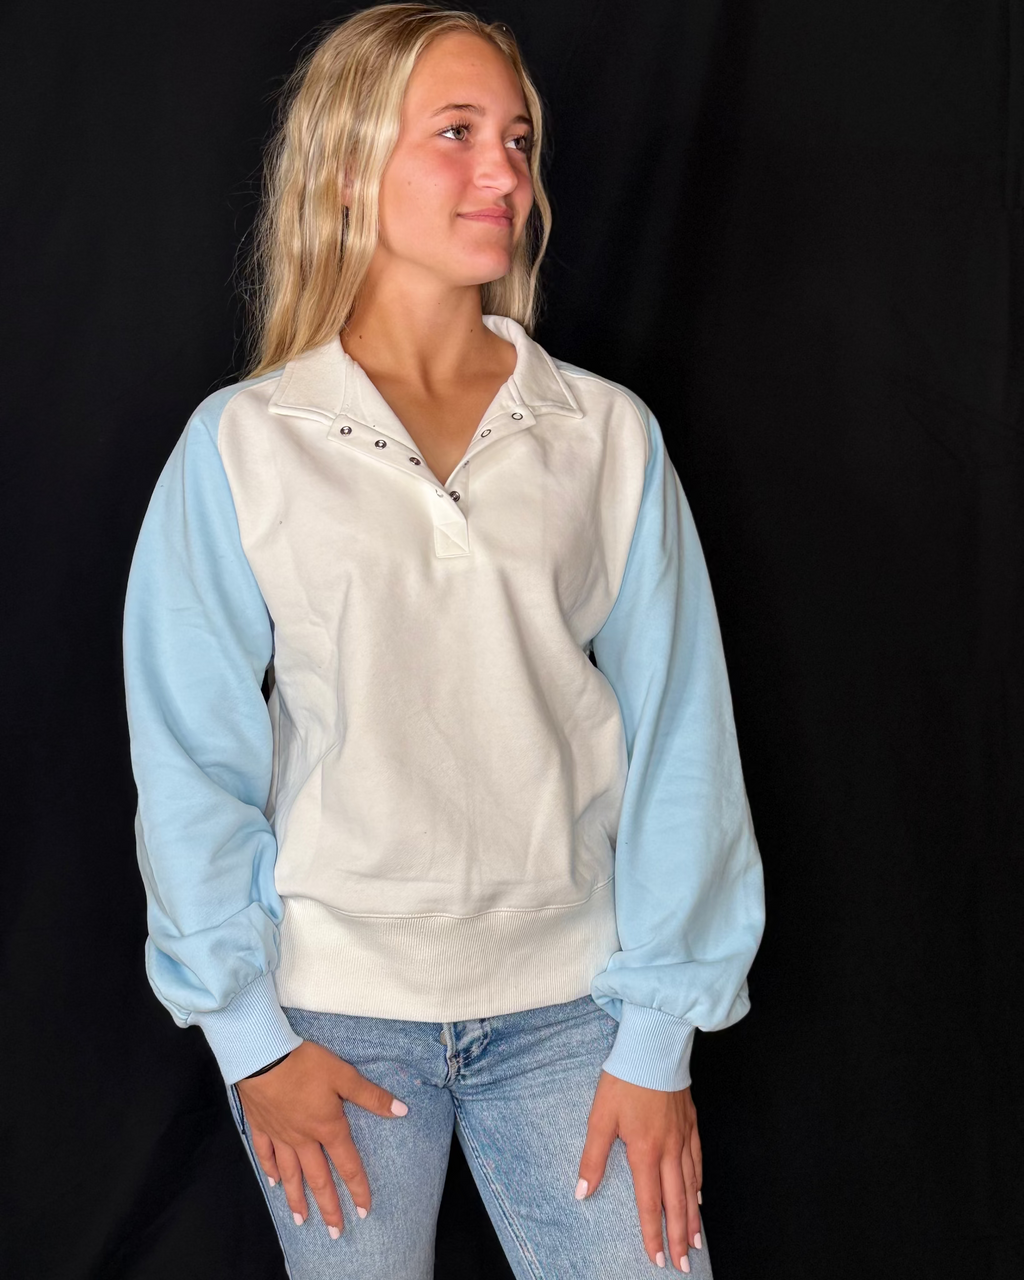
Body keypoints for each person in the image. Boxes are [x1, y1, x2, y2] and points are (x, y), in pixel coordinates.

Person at [122, 4, 766, 1277]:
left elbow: (683, 729)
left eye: (518, 139)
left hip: (576, 1006)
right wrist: (251, 1036)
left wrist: (655, 1039)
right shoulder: (245, 445)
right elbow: (188, 750)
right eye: (457, 133)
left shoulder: (603, 435)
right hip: (334, 1015)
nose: (504, 174)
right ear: (350, 162)